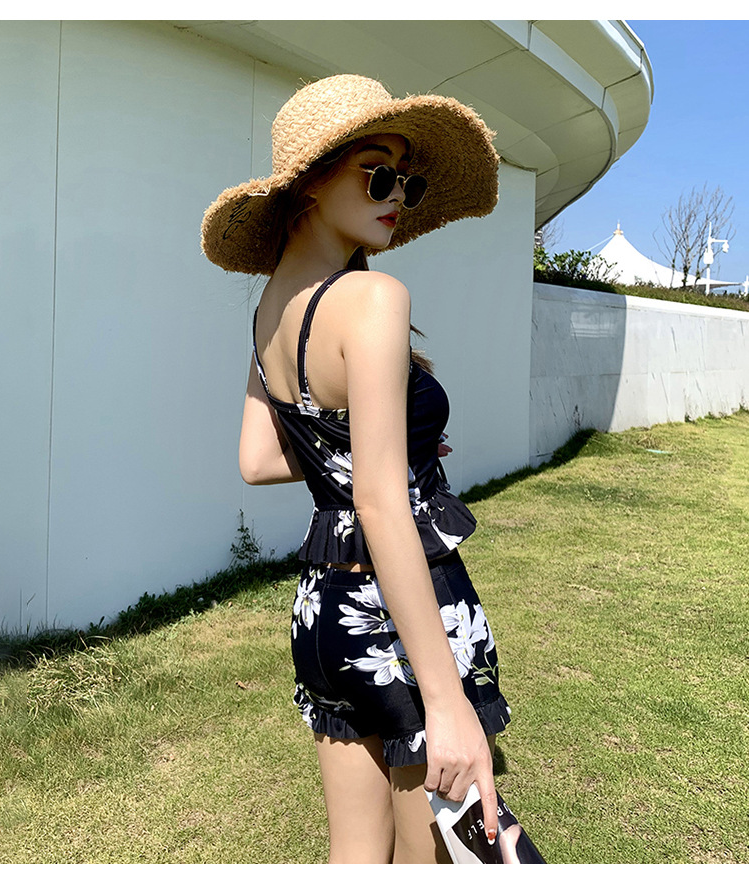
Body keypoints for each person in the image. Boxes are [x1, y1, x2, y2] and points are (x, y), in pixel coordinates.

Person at [201, 74, 510, 864]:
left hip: (324, 611)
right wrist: (446, 703)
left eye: (406, 180)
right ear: (309, 182)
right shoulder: (373, 301)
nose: (397, 194)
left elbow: (257, 459)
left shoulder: (272, 309)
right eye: (378, 174)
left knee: (356, 856)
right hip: (395, 607)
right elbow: (379, 503)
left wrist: (366, 451)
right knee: (440, 853)